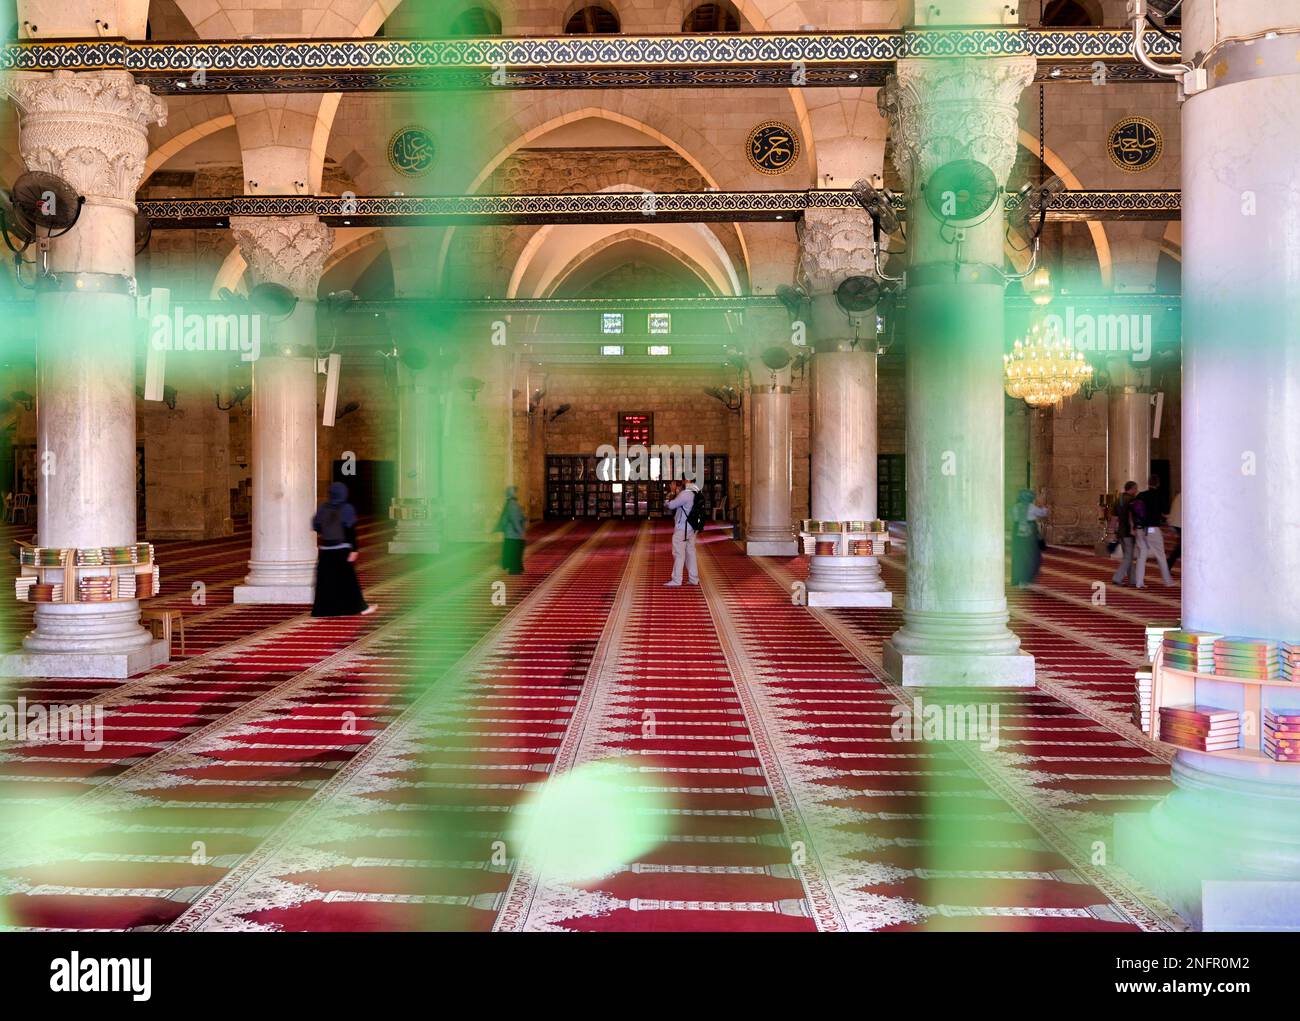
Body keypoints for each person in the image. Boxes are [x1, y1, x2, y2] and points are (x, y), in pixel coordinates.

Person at [311, 481, 376, 617]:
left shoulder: (323, 508)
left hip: (325, 550)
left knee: (326, 582)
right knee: (348, 581)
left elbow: (316, 527)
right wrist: (354, 549)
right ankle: (361, 608)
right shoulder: (347, 508)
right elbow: (350, 530)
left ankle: (323, 611)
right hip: (341, 549)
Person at [1132, 474, 1173, 588]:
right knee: (1161, 555)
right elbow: (1165, 513)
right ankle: (1167, 581)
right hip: (1153, 529)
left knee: (1141, 555)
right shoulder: (1159, 496)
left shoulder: (1141, 495)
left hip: (1140, 529)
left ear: (1148, 483)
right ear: (1158, 484)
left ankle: (1139, 582)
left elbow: (1133, 511)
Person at [665, 478, 700, 587]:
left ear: (687, 481)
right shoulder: (697, 491)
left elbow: (671, 505)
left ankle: (676, 580)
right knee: (691, 553)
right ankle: (693, 579)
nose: (683, 482)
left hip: (683, 528)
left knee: (678, 553)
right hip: (693, 527)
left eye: (684, 480)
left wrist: (671, 493)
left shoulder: (685, 494)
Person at [1010, 489, 1048, 587]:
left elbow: (1012, 518)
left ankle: (1018, 579)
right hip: (1030, 536)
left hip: (1017, 535)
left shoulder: (1015, 507)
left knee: (1018, 556)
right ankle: (1027, 578)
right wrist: (1043, 504)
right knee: (1030, 556)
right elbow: (1043, 513)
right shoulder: (1032, 507)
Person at [1110, 480, 1139, 586]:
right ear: (1132, 489)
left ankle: (1133, 580)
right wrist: (1133, 528)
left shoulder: (1119, 499)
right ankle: (1117, 577)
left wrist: (1112, 532)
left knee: (1128, 556)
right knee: (1128, 557)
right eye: (1136, 488)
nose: (1137, 490)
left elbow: (1114, 517)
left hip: (1120, 532)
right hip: (1128, 532)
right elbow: (1132, 516)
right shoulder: (1132, 500)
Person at [496, 486, 526, 575]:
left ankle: (513, 567)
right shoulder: (513, 504)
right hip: (514, 534)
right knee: (515, 551)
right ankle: (514, 569)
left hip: (510, 534)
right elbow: (515, 519)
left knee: (512, 550)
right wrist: (521, 532)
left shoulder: (510, 504)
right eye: (516, 492)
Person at [1166, 491, 1182, 572]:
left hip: (1177, 522)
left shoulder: (1179, 496)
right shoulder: (1184, 496)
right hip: (1180, 523)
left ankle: (1169, 564)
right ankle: (1168, 563)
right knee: (1181, 547)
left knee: (1181, 546)